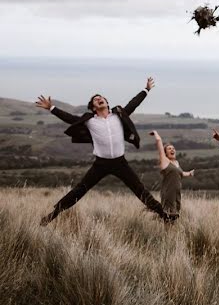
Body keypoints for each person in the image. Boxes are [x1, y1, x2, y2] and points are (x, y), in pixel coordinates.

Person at [35, 78, 175, 225]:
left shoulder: (118, 116)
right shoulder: (90, 121)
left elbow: (133, 103)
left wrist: (146, 89)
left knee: (140, 190)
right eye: (96, 100)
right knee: (80, 190)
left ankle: (164, 216)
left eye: (101, 98)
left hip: (120, 163)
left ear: (107, 103)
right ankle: (52, 215)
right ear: (94, 108)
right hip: (100, 164)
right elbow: (70, 119)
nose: (99, 99)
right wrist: (51, 108)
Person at [149, 131, 194, 217]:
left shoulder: (176, 163)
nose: (172, 149)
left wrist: (189, 173)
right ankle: (167, 231)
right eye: (169, 149)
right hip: (168, 194)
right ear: (165, 153)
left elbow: (180, 173)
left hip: (177, 194)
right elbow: (159, 145)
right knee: (169, 216)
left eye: (173, 148)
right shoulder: (165, 162)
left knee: (175, 215)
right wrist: (156, 135)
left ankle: (171, 231)